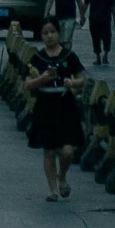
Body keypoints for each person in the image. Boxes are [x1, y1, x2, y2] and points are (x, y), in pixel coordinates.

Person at [22, 17, 86, 200]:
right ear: (41, 36)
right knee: (49, 150)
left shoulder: (69, 56)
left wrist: (72, 82)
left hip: (65, 104)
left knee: (67, 151)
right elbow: (28, 84)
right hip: (45, 105)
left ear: (58, 33)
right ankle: (52, 190)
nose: (49, 36)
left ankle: (62, 176)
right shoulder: (38, 58)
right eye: (45, 33)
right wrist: (41, 79)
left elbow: (82, 79)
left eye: (52, 32)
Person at [84, 0, 115, 65]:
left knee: (107, 37)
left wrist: (114, 17)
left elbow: (112, 5)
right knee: (95, 38)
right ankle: (98, 57)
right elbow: (86, 3)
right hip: (94, 18)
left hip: (106, 18)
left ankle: (105, 55)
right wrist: (82, 15)